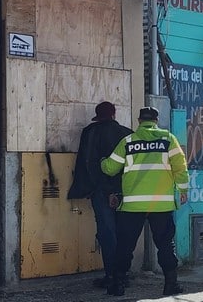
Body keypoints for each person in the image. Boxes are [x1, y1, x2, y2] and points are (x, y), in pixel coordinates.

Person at [101, 106, 189, 297]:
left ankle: (117, 285)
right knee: (165, 244)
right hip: (161, 205)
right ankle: (170, 285)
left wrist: (101, 161)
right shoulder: (168, 139)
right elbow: (180, 167)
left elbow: (109, 168)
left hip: (133, 205)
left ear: (139, 121)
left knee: (125, 245)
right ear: (156, 121)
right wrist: (183, 190)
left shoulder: (128, 141)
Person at [67, 101, 133, 288]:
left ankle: (111, 275)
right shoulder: (128, 134)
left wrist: (89, 188)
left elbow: (87, 164)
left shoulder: (90, 133)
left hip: (101, 191)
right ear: (114, 114)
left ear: (98, 116)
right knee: (124, 232)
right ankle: (123, 274)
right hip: (125, 191)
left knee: (107, 233)